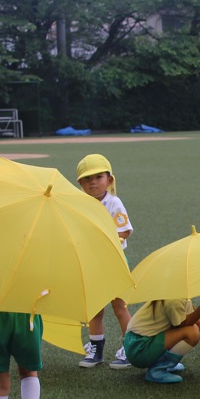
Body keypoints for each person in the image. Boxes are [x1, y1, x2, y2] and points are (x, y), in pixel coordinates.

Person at [75, 154, 134, 369]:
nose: (93, 182)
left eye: (98, 177)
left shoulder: (113, 203)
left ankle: (129, 347)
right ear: (80, 184)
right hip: (92, 263)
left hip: (113, 262)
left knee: (120, 307)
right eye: (87, 179)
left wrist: (107, 240)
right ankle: (96, 349)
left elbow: (125, 230)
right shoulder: (80, 204)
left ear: (109, 180)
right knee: (95, 309)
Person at [122, 292, 200, 384]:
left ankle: (162, 363)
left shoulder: (178, 293)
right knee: (192, 333)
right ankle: (158, 369)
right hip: (139, 348)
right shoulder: (174, 300)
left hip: (139, 343)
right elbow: (184, 324)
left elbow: (195, 322)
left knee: (192, 329)